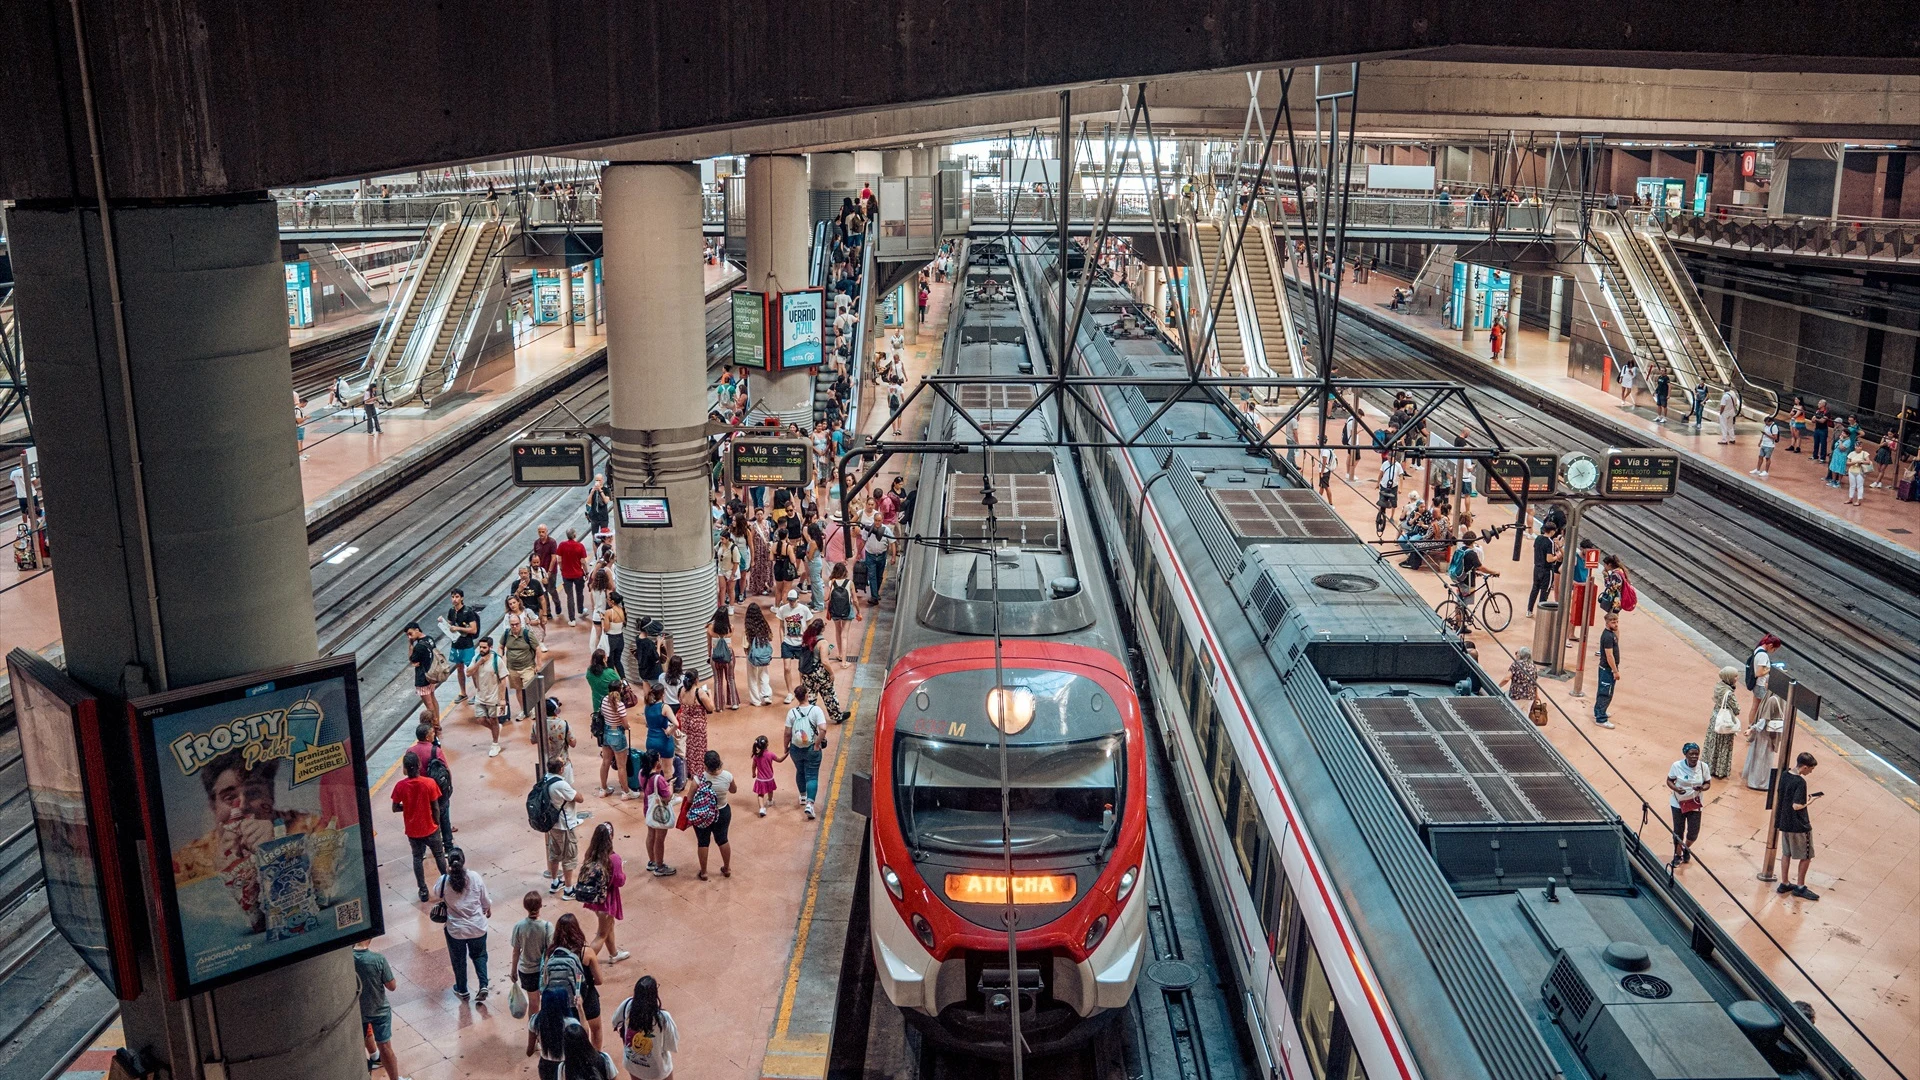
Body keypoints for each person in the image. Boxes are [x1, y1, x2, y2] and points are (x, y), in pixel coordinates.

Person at [433, 846, 493, 1001]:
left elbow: (436, 892)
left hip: (455, 930)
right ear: (463, 861)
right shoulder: (474, 877)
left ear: (449, 863)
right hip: (477, 927)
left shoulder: (444, 880)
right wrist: (486, 909)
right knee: (479, 955)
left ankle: (462, 988)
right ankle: (483, 985)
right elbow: (485, 900)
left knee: (458, 960)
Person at [392, 751, 448, 902]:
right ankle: (448, 885)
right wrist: (436, 823)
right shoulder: (429, 783)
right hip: (430, 827)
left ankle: (423, 890)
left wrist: (409, 807)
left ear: (405, 768)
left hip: (413, 830)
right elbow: (435, 807)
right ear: (419, 765)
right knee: (439, 855)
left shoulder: (400, 786)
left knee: (417, 858)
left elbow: (395, 807)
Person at [355, 941, 410, 1080]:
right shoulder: (377, 959)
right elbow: (391, 986)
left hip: (357, 1010)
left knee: (365, 1033)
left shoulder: (347, 958)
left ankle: (374, 1056)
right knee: (385, 1046)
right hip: (378, 1008)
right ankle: (394, 1078)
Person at [577, 821, 631, 961]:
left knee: (609, 927)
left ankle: (614, 954)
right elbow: (620, 881)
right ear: (611, 837)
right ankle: (584, 963)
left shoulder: (590, 854)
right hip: (607, 900)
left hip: (595, 899)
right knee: (601, 934)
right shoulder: (614, 858)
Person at [612, 976, 679, 1080]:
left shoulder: (627, 1005)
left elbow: (615, 1022)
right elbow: (670, 1045)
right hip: (657, 1070)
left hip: (632, 1064)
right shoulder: (663, 1018)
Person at [1774, 752, 1820, 900]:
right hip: (1798, 824)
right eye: (1810, 769)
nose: (1811, 772)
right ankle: (1800, 886)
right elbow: (1797, 806)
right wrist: (1811, 801)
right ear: (1804, 767)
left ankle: (1785, 882)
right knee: (1806, 856)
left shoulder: (1785, 775)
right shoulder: (1800, 782)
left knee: (1786, 853)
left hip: (1784, 822)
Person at [405, 722, 456, 848]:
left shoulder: (410, 751)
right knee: (443, 815)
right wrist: (449, 786)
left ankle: (421, 849)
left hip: (418, 791)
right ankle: (448, 845)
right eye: (432, 733)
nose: (434, 734)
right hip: (436, 789)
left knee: (422, 817)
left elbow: (405, 771)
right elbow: (446, 769)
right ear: (427, 737)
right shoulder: (435, 751)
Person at [689, 750, 737, 880]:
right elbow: (733, 790)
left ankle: (704, 872)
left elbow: (689, 799)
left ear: (705, 765)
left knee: (703, 842)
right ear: (719, 762)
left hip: (703, 814)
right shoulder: (727, 776)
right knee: (723, 839)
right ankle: (726, 868)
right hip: (722, 811)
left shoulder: (698, 779)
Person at [542, 753, 584, 893]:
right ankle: (568, 889)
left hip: (552, 825)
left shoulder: (545, 780)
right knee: (569, 857)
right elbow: (579, 798)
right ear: (561, 769)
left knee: (554, 853)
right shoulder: (561, 784)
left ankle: (555, 882)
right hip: (565, 825)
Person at [785, 685, 829, 819]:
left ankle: (803, 796)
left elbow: (787, 733)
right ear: (806, 695)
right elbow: (823, 729)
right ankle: (810, 804)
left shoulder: (791, 713)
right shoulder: (816, 710)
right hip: (812, 748)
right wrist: (816, 744)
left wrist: (786, 747)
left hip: (795, 748)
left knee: (800, 770)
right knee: (812, 775)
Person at [1665, 742, 1710, 868]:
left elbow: (1708, 783)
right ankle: (1677, 855)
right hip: (1678, 804)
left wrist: (1702, 788)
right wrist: (1677, 789)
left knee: (1693, 833)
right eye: (1691, 754)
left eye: (1696, 754)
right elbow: (1669, 780)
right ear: (1686, 754)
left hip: (1694, 804)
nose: (1694, 757)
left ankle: (1686, 847)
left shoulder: (1703, 767)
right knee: (1678, 830)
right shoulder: (1676, 766)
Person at [511, 891, 554, 1010]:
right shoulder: (547, 926)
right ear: (541, 905)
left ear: (525, 907)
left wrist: (513, 970)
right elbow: (551, 950)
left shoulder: (519, 926)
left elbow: (516, 951)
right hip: (543, 970)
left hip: (526, 970)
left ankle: (533, 1027)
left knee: (533, 1003)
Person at [636, 750, 677, 877]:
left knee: (651, 834)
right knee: (660, 839)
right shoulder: (658, 779)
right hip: (659, 812)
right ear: (656, 763)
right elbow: (667, 797)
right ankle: (660, 866)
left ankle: (652, 861)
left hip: (648, 808)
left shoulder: (642, 773)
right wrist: (670, 785)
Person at [467, 635, 508, 756]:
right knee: (480, 719)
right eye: (480, 647)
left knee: (493, 719)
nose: (481, 649)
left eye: (484, 647)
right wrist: (479, 662)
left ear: (490, 647)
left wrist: (502, 699)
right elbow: (468, 672)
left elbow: (503, 679)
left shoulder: (497, 660)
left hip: (493, 697)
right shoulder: (476, 658)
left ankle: (495, 744)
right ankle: (495, 729)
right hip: (480, 696)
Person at [799, 618, 845, 724]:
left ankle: (807, 718)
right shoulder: (822, 643)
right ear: (822, 629)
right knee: (828, 693)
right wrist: (831, 673)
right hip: (819, 673)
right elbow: (824, 661)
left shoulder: (807, 639)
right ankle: (837, 715)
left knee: (810, 696)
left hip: (807, 673)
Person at [599, 678, 638, 799]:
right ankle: (626, 792)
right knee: (621, 765)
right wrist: (628, 727)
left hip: (606, 733)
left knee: (605, 762)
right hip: (617, 734)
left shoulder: (604, 700)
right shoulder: (620, 705)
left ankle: (604, 788)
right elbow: (625, 724)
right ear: (619, 690)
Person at [677, 670, 715, 788]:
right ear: (696, 680)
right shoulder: (700, 693)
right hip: (697, 724)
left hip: (685, 722)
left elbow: (680, 703)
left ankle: (687, 770)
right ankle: (698, 773)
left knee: (687, 747)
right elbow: (711, 708)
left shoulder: (681, 690)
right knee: (699, 749)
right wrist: (710, 694)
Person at [442, 589, 481, 703]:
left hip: (467, 644)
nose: (455, 599)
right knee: (459, 668)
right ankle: (463, 692)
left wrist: (458, 628)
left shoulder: (468, 612)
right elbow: (449, 625)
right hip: (456, 644)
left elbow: (473, 630)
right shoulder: (451, 611)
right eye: (453, 597)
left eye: (457, 597)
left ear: (462, 598)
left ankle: (478, 692)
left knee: (471, 669)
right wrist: (444, 623)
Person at [502, 614, 542, 722]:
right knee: (518, 689)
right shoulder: (506, 634)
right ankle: (523, 710)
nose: (515, 627)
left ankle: (533, 709)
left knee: (529, 688)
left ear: (520, 623)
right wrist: (500, 657)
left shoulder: (527, 634)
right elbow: (501, 646)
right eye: (512, 625)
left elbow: (537, 648)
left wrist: (538, 665)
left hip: (527, 667)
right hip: (512, 668)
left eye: (517, 624)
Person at [775, 589, 812, 702]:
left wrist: (808, 640)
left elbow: (810, 626)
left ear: (798, 599)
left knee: (801, 669)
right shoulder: (783, 610)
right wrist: (782, 640)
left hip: (801, 643)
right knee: (787, 667)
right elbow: (781, 626)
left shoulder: (804, 610)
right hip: (788, 643)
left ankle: (802, 691)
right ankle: (790, 692)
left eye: (793, 600)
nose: (791, 603)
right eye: (790, 600)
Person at [641, 681, 679, 790]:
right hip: (664, 741)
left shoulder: (647, 707)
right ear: (662, 694)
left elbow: (648, 724)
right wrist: (669, 732)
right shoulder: (664, 707)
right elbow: (676, 724)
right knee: (668, 770)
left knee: (653, 768)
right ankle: (668, 794)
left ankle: (653, 791)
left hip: (651, 740)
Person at [707, 607, 740, 710]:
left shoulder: (710, 628)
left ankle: (718, 706)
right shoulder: (731, 627)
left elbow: (709, 644)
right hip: (728, 656)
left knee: (717, 680)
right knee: (730, 678)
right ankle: (734, 703)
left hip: (715, 657)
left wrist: (709, 655)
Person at [1527, 519, 1561, 615]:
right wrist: (1557, 556)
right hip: (1547, 570)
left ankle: (1529, 610)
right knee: (1544, 591)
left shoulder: (1538, 538)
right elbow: (1549, 559)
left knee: (1535, 589)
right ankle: (1541, 613)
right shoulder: (1550, 543)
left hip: (1537, 567)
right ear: (1552, 531)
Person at [744, 602, 775, 706]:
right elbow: (770, 637)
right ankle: (766, 696)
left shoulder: (748, 629)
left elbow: (745, 645)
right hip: (764, 656)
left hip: (752, 656)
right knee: (764, 675)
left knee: (752, 678)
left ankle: (756, 700)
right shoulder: (764, 626)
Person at [558, 528, 590, 625]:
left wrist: (562, 569)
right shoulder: (580, 546)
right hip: (578, 574)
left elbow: (559, 560)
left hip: (566, 574)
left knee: (570, 596)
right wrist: (587, 572)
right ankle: (581, 610)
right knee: (579, 593)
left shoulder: (562, 545)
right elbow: (583, 562)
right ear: (575, 535)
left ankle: (572, 619)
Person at [1594, 611, 1621, 729]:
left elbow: (1618, 639)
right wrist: (1615, 671)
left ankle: (1600, 711)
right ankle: (1601, 718)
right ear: (1607, 623)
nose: (1616, 624)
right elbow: (1609, 655)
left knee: (1604, 691)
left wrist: (1616, 629)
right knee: (1606, 692)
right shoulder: (1607, 637)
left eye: (1617, 622)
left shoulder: (1612, 634)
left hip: (1608, 668)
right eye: (1613, 622)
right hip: (1607, 669)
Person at [825, 562, 856, 661]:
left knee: (838, 631)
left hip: (835, 610)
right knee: (844, 635)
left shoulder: (831, 582)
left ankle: (839, 653)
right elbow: (855, 600)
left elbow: (826, 598)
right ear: (845, 572)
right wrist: (859, 611)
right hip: (847, 610)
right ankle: (844, 661)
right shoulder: (850, 583)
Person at [750, 734, 784, 816]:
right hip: (769, 778)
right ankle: (770, 800)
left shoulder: (756, 756)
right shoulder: (770, 754)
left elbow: (753, 766)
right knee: (770, 790)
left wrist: (753, 773)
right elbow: (779, 760)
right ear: (767, 744)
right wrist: (787, 754)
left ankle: (762, 808)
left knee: (760, 794)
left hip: (760, 779)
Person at [603, 592, 628, 679]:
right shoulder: (623, 610)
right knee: (618, 661)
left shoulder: (609, 612)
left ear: (612, 601)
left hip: (611, 639)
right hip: (620, 639)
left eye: (608, 599)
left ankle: (613, 681)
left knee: (610, 662)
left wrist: (603, 620)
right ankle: (624, 681)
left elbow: (606, 628)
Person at [1845, 439, 1871, 505]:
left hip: (1860, 472)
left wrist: (1861, 462)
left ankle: (1858, 500)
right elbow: (1847, 463)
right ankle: (1850, 498)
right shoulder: (1851, 453)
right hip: (1852, 471)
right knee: (1852, 485)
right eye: (1858, 446)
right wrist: (1853, 462)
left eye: (1860, 446)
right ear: (1855, 447)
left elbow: (1868, 462)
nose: (1859, 448)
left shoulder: (1864, 453)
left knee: (1859, 486)